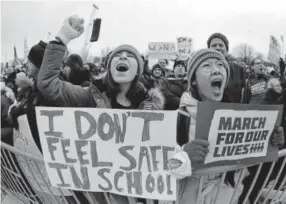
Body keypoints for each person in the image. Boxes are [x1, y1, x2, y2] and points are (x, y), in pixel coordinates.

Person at [37, 15, 171, 203]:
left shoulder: (150, 107)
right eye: (117, 55)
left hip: (137, 193)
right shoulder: (90, 95)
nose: (123, 56)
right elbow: (48, 84)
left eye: (130, 55)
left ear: (138, 71)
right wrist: (62, 39)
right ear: (109, 67)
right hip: (99, 192)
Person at [167, 49, 284, 204]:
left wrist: (270, 141)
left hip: (227, 197)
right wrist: (183, 156)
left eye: (221, 65)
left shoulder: (238, 116)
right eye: (207, 66)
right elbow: (155, 169)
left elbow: (248, 165)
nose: (216, 70)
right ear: (193, 79)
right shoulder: (177, 118)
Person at [207, 33, 249, 103]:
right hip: (208, 111)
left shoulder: (238, 69)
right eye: (214, 45)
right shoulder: (201, 69)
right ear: (208, 50)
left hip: (232, 112)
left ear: (226, 50)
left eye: (221, 45)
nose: (217, 47)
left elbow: (244, 95)